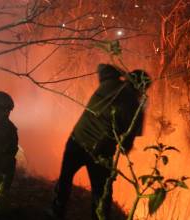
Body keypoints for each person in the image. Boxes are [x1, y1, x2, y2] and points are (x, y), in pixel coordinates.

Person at [50, 64, 149, 220]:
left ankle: (57, 213)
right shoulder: (136, 109)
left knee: (64, 181)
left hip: (77, 140)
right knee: (101, 195)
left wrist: (123, 74)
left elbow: (103, 67)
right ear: (143, 89)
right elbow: (125, 147)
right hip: (101, 155)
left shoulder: (109, 83)